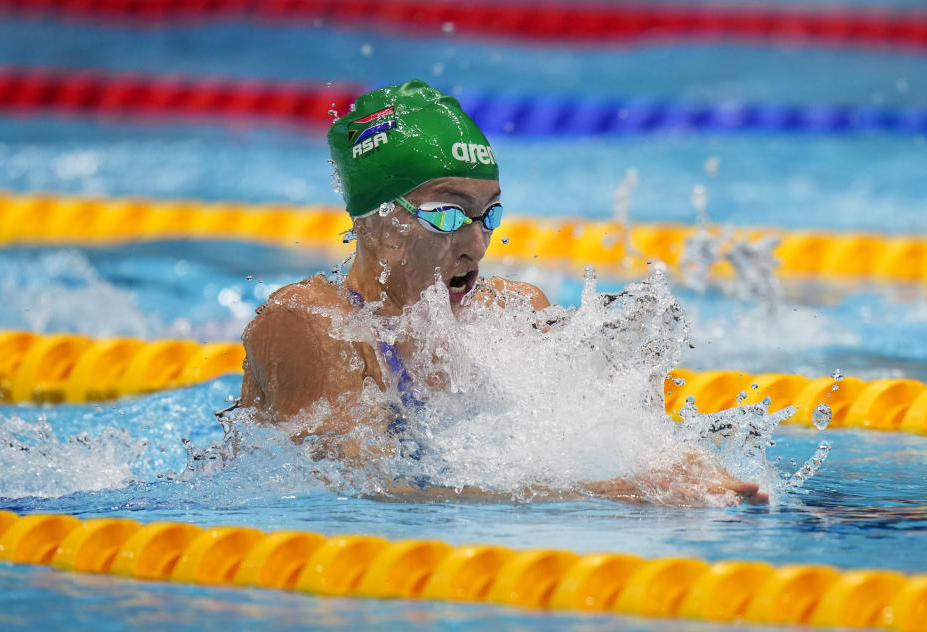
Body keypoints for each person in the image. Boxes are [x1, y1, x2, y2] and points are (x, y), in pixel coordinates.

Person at [239, 80, 767, 506]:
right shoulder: (311, 325)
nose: (477, 245)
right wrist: (612, 494)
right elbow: (362, 493)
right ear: (378, 223)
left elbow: (592, 435)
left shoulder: (512, 311)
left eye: (488, 214)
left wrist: (668, 465)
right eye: (447, 214)